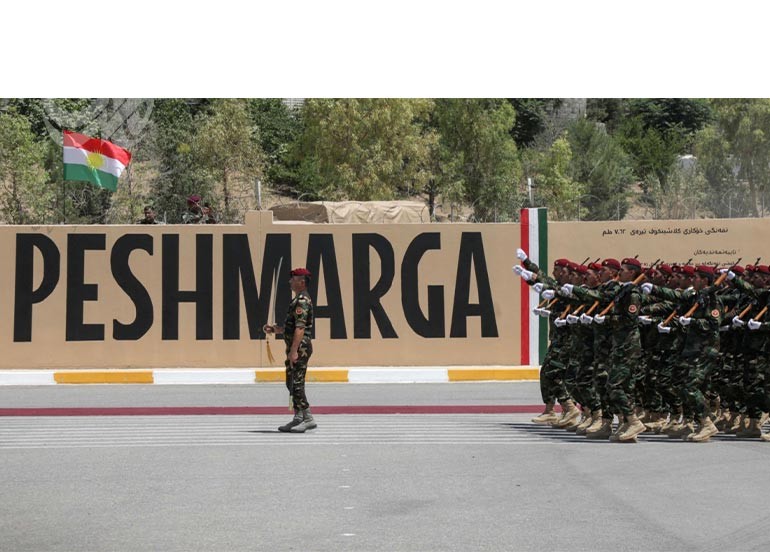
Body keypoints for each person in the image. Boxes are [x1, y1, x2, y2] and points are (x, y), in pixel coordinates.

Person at [263, 268, 316, 433]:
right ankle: (298, 417)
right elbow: (291, 328)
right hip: (295, 347)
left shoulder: (302, 301)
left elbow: (300, 329)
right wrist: (275, 330)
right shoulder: (297, 300)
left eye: (293, 279)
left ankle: (308, 418)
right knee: (291, 382)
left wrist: (294, 351)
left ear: (302, 282)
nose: (290, 282)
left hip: (300, 348)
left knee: (297, 384)